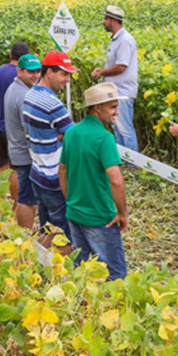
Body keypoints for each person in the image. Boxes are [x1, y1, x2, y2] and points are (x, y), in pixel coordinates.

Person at [59, 83, 129, 280]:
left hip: (75, 213)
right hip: (101, 218)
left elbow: (62, 170)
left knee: (83, 272)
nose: (116, 112)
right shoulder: (104, 138)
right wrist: (122, 213)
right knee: (114, 275)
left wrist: (70, 199)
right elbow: (116, 180)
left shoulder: (71, 132)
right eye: (112, 107)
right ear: (97, 108)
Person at [23, 50, 78, 250]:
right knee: (64, 232)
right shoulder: (53, 104)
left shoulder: (30, 94)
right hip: (53, 177)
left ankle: (44, 268)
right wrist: (62, 135)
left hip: (37, 172)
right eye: (64, 74)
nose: (68, 79)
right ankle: (64, 275)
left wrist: (59, 134)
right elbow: (74, 136)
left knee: (47, 229)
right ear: (50, 73)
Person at [91, 5, 139, 152]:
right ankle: (123, 161)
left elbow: (121, 66)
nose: (104, 22)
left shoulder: (124, 40)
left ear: (113, 20)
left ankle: (133, 165)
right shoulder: (116, 39)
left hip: (123, 92)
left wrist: (102, 72)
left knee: (125, 129)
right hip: (116, 92)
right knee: (117, 129)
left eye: (106, 19)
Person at [3, 54, 43, 230]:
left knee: (26, 194)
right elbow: (28, 130)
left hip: (16, 148)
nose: (35, 76)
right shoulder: (24, 96)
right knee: (27, 198)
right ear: (20, 71)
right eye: (31, 72)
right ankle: (26, 233)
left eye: (38, 72)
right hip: (25, 152)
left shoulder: (13, 87)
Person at [0, 42, 28, 178]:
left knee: (1, 165)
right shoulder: (25, 77)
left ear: (10, 55)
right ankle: (15, 199)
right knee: (16, 169)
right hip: (14, 129)